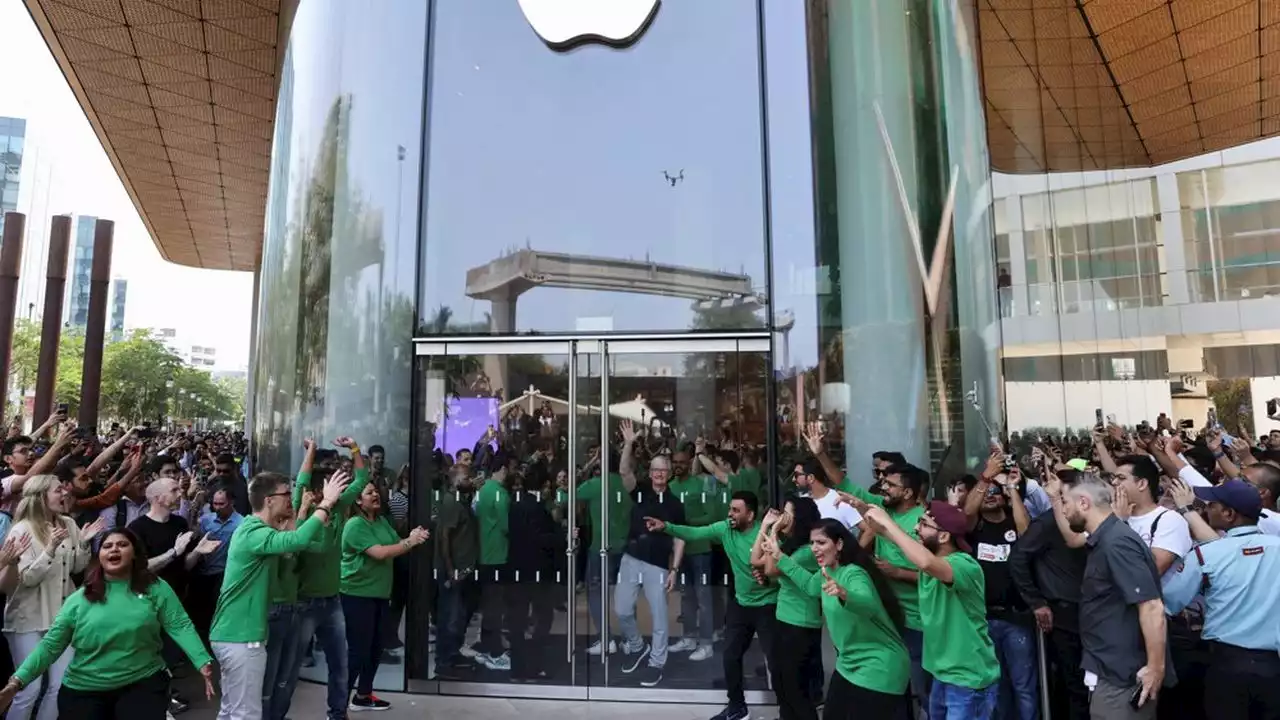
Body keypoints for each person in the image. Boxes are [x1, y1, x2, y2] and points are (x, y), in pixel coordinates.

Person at [0, 528, 215, 718]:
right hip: (84, 691)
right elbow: (50, 645)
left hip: (142, 684)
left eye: (122, 545)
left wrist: (201, 661)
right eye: (107, 546)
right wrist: (17, 682)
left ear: (134, 554)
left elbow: (179, 624)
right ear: (99, 556)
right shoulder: (79, 600)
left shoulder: (155, 588)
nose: (114, 550)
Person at [209, 469, 350, 719]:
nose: (291, 498)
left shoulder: (259, 531)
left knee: (231, 711)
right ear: (269, 500)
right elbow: (296, 541)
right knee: (247, 714)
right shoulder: (253, 532)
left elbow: (290, 545)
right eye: (286, 494)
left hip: (237, 634)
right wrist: (326, 503)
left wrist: (299, 512)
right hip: (242, 635)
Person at [863, 500, 1001, 720]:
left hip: (968, 679)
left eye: (923, 523)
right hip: (943, 675)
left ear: (944, 536)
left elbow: (925, 562)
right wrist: (871, 515)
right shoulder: (933, 559)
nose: (917, 528)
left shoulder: (963, 565)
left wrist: (888, 522)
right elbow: (908, 546)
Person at [763, 518, 910, 720]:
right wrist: (779, 555)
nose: (814, 548)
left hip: (878, 665)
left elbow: (867, 603)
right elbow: (809, 585)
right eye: (812, 542)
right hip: (847, 663)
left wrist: (845, 594)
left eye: (821, 542)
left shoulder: (854, 573)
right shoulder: (826, 573)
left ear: (839, 544)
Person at [646, 490, 775, 720]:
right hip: (741, 604)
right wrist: (666, 526)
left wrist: (768, 575)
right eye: (730, 509)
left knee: (776, 662)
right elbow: (695, 533)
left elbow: (781, 568)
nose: (731, 514)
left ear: (751, 514)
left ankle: (788, 712)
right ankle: (737, 708)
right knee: (730, 656)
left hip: (769, 605)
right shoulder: (725, 528)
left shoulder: (765, 535)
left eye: (736, 510)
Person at [1164, 479, 1280, 719]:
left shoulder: (1206, 554)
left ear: (1229, 514)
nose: (1207, 509)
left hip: (1225, 666)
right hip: (1273, 667)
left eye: (1212, 504)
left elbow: (1171, 600)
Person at [1058, 471, 1169, 719]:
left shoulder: (1117, 543)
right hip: (1110, 671)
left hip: (1124, 677)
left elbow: (1151, 606)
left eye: (1064, 501)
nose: (1062, 511)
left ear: (1084, 503)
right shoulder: (1106, 540)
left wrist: (1155, 668)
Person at [0, 475, 105, 720]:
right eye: (58, 490)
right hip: (27, 617)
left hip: (61, 616)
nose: (65, 494)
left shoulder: (68, 523)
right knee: (29, 688)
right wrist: (49, 549)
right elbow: (26, 579)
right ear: (41, 497)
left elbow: (77, 568)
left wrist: (85, 544)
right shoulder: (22, 528)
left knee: (60, 684)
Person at [288, 437, 372, 720]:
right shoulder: (304, 505)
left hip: (332, 601)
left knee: (340, 664)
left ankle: (337, 714)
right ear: (319, 489)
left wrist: (355, 448)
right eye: (332, 485)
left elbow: (362, 479)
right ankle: (276, 713)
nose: (341, 490)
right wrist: (310, 450)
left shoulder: (339, 507)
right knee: (290, 667)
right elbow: (301, 479)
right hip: (303, 602)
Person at [340, 483, 428, 710]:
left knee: (376, 646)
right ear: (359, 501)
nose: (375, 494)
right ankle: (338, 704)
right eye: (369, 492)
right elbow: (379, 553)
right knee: (358, 651)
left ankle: (363, 695)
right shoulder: (354, 525)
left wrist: (410, 536)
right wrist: (410, 542)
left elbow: (395, 543)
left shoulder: (381, 521)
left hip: (379, 593)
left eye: (376, 491)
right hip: (356, 594)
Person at [752, 498, 823, 720]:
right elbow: (755, 559)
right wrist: (764, 527)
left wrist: (774, 530)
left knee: (795, 689)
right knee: (782, 683)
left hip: (801, 624)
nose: (783, 517)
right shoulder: (791, 545)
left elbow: (771, 569)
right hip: (785, 619)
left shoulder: (807, 552)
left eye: (787, 513)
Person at [190, 489, 242, 644]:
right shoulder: (206, 520)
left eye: (222, 504)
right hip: (203, 573)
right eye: (215, 504)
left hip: (224, 574)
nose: (218, 507)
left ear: (231, 503)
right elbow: (193, 535)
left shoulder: (241, 523)